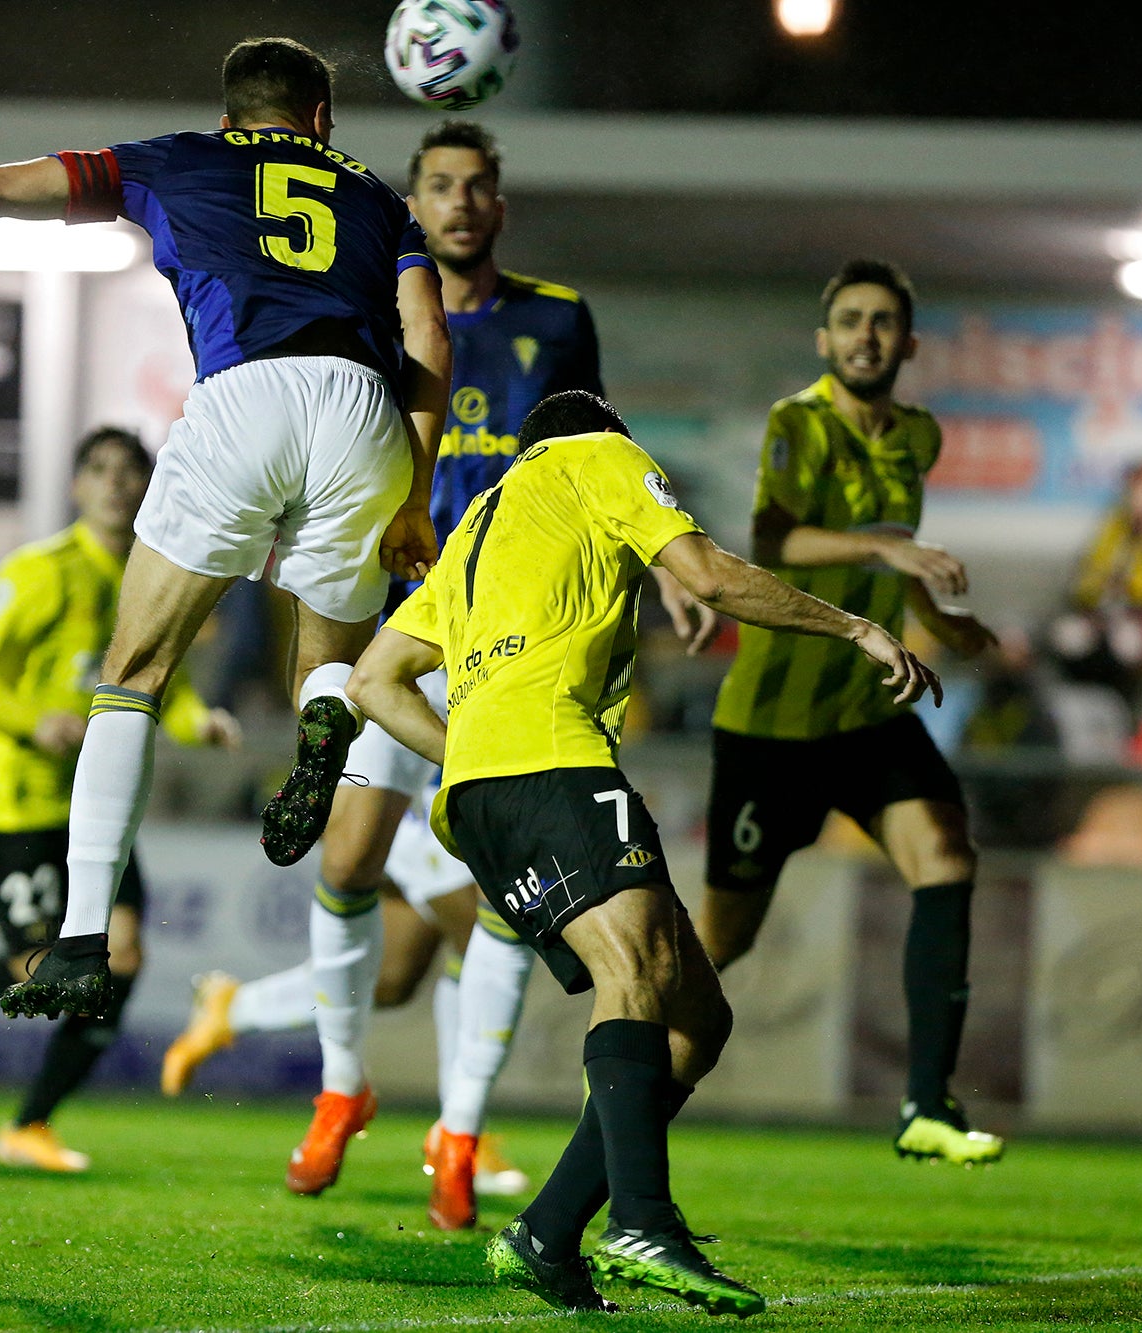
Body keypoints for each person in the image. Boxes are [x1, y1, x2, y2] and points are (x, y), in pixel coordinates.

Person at [0, 37, 451, 1022]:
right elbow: (430, 339)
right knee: (329, 664)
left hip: (243, 395)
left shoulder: (177, 158)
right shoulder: (379, 199)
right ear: (320, 121)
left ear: (233, 117)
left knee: (131, 677)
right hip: (364, 410)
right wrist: (415, 493)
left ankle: (82, 936)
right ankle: (319, 722)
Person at [345, 389, 937, 1313]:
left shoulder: (477, 533)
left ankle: (546, 1233)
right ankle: (642, 1220)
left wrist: (468, 749)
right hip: (553, 760)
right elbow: (709, 575)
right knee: (640, 970)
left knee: (697, 1017)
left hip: (478, 795)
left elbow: (374, 679)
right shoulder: (601, 458)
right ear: (606, 433)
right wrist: (855, 626)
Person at [159, 120, 605, 1228]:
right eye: (440, 187)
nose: (460, 202)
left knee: (495, 887)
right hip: (400, 626)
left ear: (498, 205)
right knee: (349, 859)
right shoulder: (367, 313)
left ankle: (457, 1131)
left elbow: (590, 458)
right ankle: (342, 1087)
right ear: (413, 205)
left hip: (510, 640)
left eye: (477, 186)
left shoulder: (556, 321)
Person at [0, 427, 240, 1172]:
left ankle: (30, 1124)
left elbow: (168, 681)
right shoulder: (42, 571)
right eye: (98, 468)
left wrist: (202, 722)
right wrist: (35, 719)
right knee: (44, 971)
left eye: (130, 470)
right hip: (17, 798)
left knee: (118, 959)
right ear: (75, 486)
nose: (116, 483)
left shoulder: (149, 574)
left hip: (93, 808)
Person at [694, 259, 1005, 1166]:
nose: (867, 335)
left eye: (883, 323)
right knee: (723, 942)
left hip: (867, 713)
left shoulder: (919, 434)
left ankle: (925, 1105)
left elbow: (888, 557)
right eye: (851, 320)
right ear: (824, 340)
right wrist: (890, 554)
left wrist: (943, 617)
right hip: (771, 730)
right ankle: (632, 1053)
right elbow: (772, 540)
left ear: (908, 344)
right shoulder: (800, 421)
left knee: (946, 855)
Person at [1047, 460, 1142, 700]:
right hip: (1099, 614)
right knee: (1068, 637)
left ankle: (1123, 712)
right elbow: (1082, 579)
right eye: (1138, 492)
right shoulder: (1113, 528)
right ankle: (1083, 708)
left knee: (1127, 644)